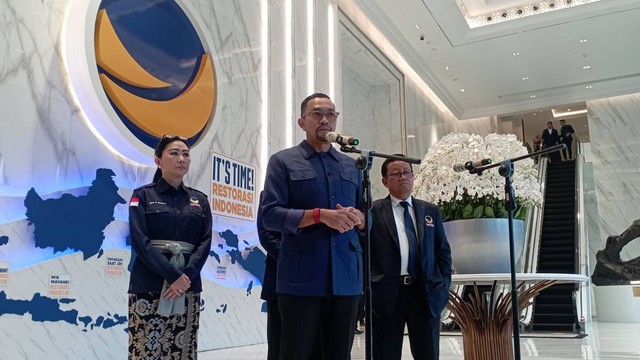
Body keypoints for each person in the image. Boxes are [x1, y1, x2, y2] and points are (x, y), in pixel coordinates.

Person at [259, 92, 365, 360]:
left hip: (346, 279)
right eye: (316, 114)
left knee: (339, 354)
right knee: (296, 353)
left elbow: (368, 216)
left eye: (331, 114)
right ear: (301, 122)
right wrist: (318, 215)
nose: (325, 120)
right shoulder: (282, 161)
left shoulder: (352, 166)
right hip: (300, 280)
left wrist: (360, 219)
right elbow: (270, 215)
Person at [127, 134, 212, 359]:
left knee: (183, 350)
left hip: (188, 286)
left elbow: (205, 242)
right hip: (149, 283)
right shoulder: (142, 196)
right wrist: (172, 275)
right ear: (158, 160)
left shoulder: (200, 200)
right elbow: (140, 241)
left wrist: (186, 277)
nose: (181, 158)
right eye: (174, 153)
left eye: (186, 154)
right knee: (145, 350)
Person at [369, 156, 452, 360]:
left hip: (424, 293)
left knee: (428, 354)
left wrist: (442, 288)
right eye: (396, 174)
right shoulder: (373, 212)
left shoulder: (430, 211)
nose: (403, 177)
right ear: (385, 181)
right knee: (385, 353)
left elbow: (443, 253)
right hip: (388, 295)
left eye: (407, 172)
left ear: (413, 177)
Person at [258, 191, 324, 360]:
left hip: (319, 279)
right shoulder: (271, 194)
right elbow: (266, 234)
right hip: (280, 277)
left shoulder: (325, 192)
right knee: (280, 343)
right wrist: (294, 259)